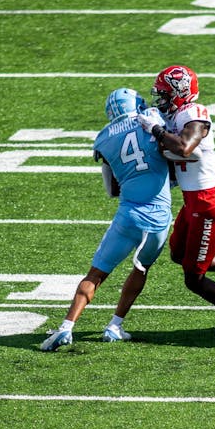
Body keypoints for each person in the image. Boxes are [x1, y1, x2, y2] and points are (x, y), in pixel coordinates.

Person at [41, 88, 173, 351]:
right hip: (158, 218)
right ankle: (114, 325)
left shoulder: (103, 138)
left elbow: (112, 189)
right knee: (141, 269)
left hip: (128, 215)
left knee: (97, 273)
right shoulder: (150, 116)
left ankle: (67, 326)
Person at [137, 65, 215, 337]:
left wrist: (156, 129)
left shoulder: (194, 115)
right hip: (194, 202)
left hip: (207, 205)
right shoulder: (178, 115)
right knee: (178, 254)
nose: (161, 99)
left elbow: (184, 148)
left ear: (180, 92)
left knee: (194, 279)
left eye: (165, 93)